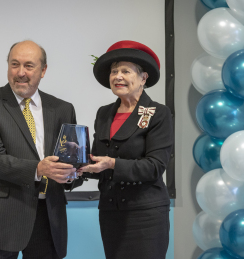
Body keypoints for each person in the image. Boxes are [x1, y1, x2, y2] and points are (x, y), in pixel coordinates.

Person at [0, 40, 83, 259]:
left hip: (49, 218)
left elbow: (72, 162)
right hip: (3, 217)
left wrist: (72, 174)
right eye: (14, 64)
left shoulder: (63, 109)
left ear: (43, 70)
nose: (21, 72)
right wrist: (39, 169)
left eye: (29, 66)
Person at [78, 40, 174, 259]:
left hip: (146, 214)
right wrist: (77, 168)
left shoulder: (158, 113)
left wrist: (111, 164)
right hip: (111, 213)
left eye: (125, 71)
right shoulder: (104, 113)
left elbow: (155, 167)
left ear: (143, 77)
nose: (117, 76)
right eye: (114, 71)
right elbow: (97, 160)